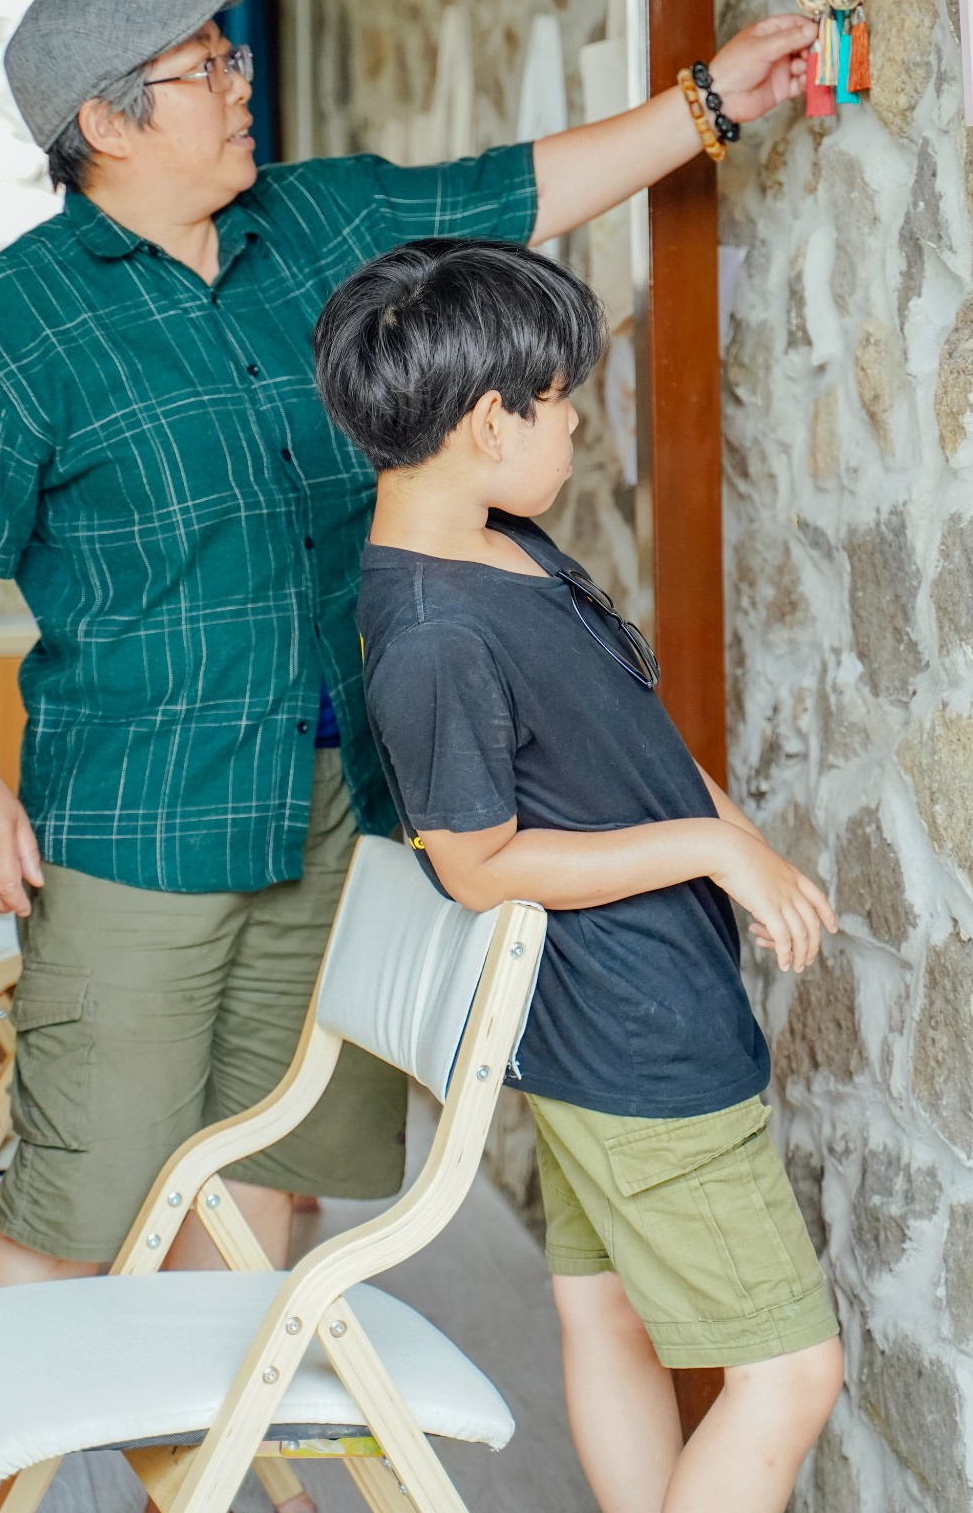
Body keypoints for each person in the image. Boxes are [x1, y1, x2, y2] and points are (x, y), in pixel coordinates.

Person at [0, 0, 817, 1339]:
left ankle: (203, 1459)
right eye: (209, 70)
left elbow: (513, 190)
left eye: (233, 57)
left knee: (271, 1181)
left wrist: (710, 102)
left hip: (355, 804)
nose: (243, 87)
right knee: (83, 1200)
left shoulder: (320, 218)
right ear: (105, 126)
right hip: (136, 814)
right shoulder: (12, 316)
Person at [314, 239, 843, 1513]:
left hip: (599, 1025)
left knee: (603, 1308)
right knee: (789, 1372)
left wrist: (726, 820)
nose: (576, 427)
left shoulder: (500, 542)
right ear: (489, 422)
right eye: (561, 402)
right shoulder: (433, 632)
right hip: (636, 1037)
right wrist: (716, 845)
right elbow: (479, 864)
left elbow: (623, 737)